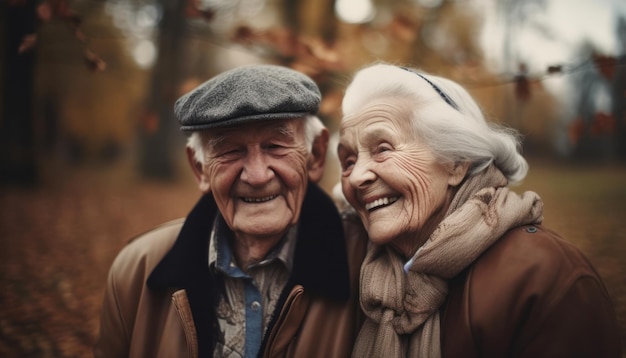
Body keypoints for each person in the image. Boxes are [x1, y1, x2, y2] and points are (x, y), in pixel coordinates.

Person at [336, 63, 622, 357]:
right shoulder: (352, 270)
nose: (357, 177)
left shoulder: (545, 279)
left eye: (383, 149)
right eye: (348, 162)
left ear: (456, 163)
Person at [94, 64, 367, 358]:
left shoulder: (368, 267)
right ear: (200, 169)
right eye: (230, 151)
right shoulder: (135, 271)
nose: (257, 175)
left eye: (275, 146)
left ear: (314, 155)